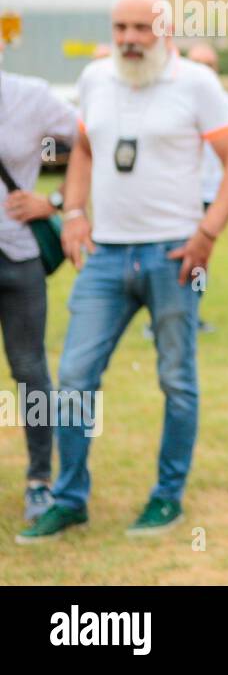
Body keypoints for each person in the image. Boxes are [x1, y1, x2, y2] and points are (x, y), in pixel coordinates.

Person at [17, 0, 228, 543]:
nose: (129, 38)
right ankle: (69, 498)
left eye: (141, 27)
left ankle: (166, 497)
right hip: (106, 256)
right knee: (74, 377)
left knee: (177, 379)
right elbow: (86, 151)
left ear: (164, 29)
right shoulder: (97, 78)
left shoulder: (197, 83)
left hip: (174, 253)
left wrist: (207, 233)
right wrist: (72, 213)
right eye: (120, 26)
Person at [0, 60, 77, 523]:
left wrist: (58, 201)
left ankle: (39, 480)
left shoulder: (30, 94)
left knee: (30, 371)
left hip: (17, 255)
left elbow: (94, 139)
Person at [185, 42, 228, 334]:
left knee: (201, 259)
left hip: (209, 194)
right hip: (180, 193)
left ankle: (195, 309)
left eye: (209, 65)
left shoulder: (223, 101)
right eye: (197, 64)